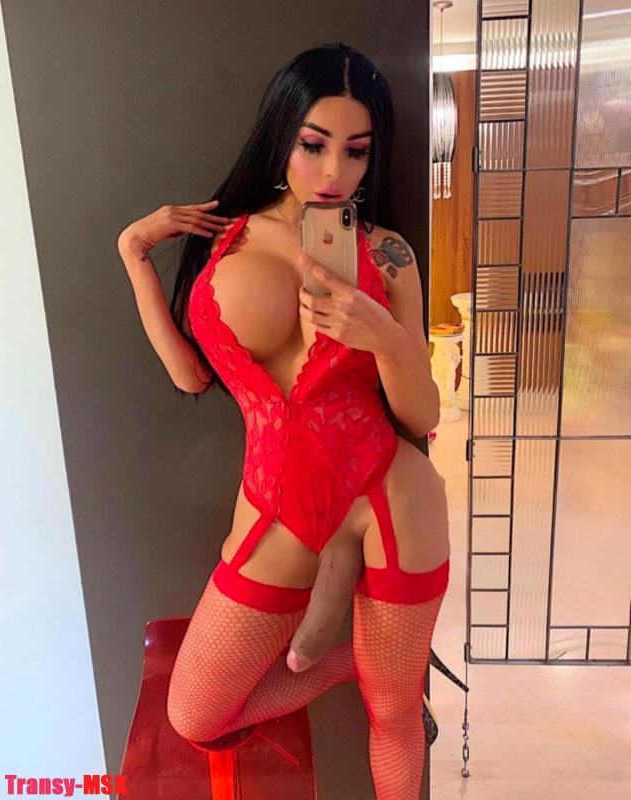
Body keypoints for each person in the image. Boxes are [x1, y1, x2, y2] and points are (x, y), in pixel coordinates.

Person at [117, 42, 451, 800]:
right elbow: (190, 376)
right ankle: (355, 663)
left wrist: (383, 336)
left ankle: (386, 678)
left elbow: (422, 413)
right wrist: (134, 254)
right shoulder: (225, 239)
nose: (334, 172)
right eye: (314, 144)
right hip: (278, 508)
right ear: (282, 135)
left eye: (357, 151)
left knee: (394, 715)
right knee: (196, 712)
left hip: (390, 497)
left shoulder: (387, 253)